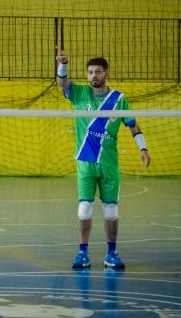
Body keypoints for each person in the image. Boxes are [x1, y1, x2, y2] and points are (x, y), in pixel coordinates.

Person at [55, 48, 151, 270]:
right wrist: (63, 65)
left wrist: (143, 148)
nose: (93, 76)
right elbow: (62, 85)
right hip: (85, 164)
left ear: (106, 73)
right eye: (90, 72)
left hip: (109, 164)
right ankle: (82, 252)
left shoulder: (118, 99)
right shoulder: (79, 94)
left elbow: (133, 125)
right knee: (84, 209)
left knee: (111, 211)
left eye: (98, 72)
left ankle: (111, 253)